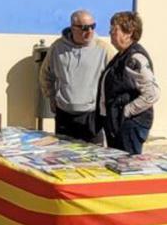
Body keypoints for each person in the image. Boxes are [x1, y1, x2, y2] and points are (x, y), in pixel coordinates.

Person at [39, 9, 113, 143]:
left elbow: (116, 79)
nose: (89, 31)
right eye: (85, 28)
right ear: (73, 28)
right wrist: (50, 95)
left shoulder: (103, 49)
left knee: (92, 157)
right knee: (62, 156)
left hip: (91, 115)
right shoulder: (58, 48)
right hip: (64, 115)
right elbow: (45, 73)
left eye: (93, 26)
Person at [98, 11, 159, 154]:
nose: (110, 32)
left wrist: (126, 111)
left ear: (129, 33)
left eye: (115, 29)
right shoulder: (121, 55)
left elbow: (153, 93)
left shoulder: (135, 58)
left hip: (130, 125)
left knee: (128, 165)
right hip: (118, 123)